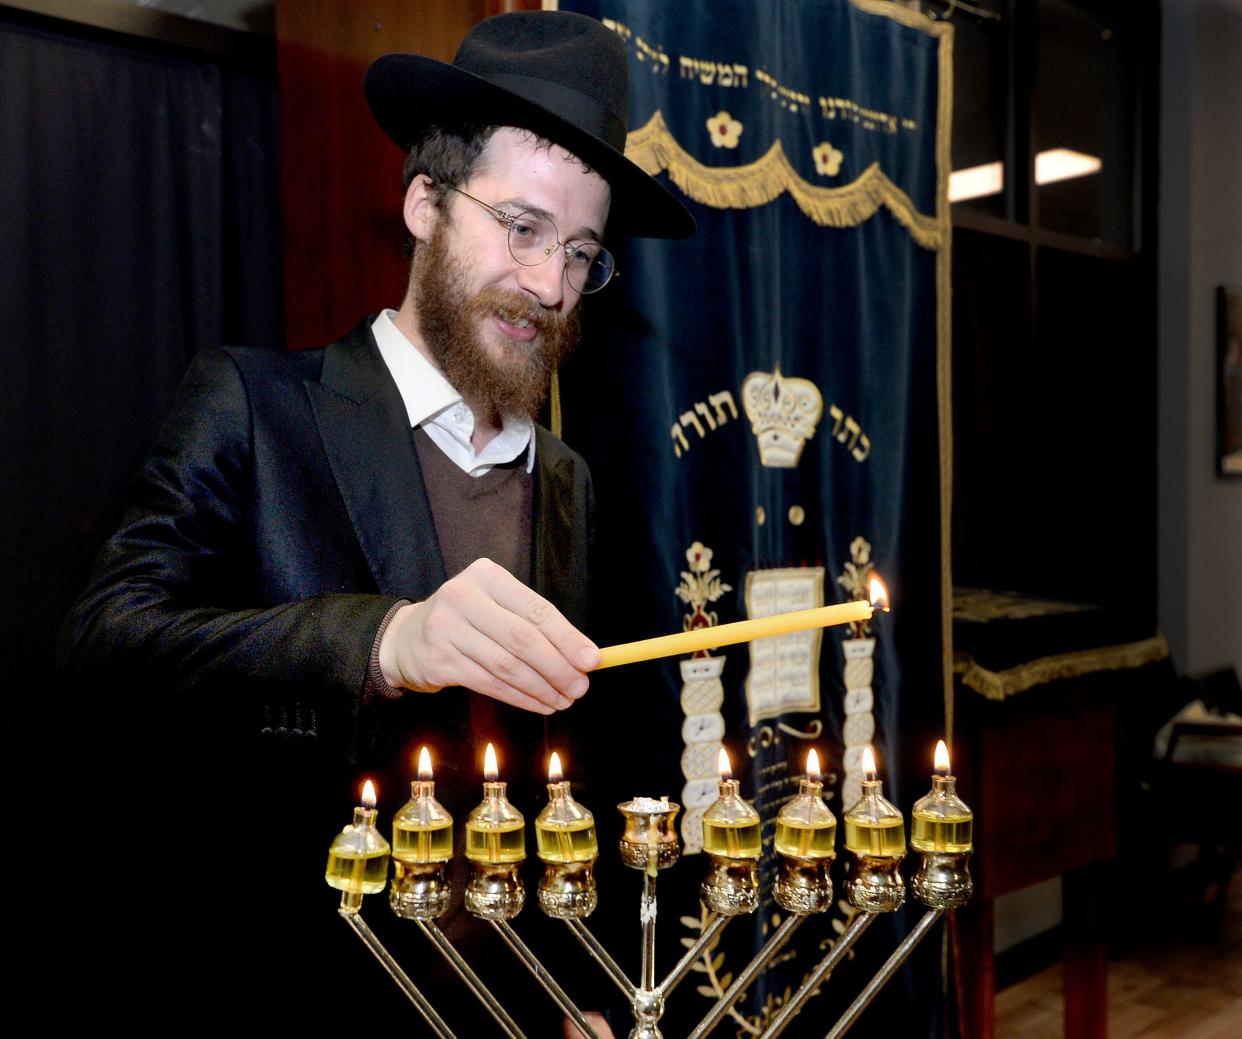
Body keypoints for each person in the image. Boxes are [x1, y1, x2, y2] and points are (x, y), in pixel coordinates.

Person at [57, 10, 691, 1031]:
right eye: (522, 228)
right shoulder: (255, 407)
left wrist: (584, 992)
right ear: (425, 204)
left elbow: (585, 777)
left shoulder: (571, 480)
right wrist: (386, 638)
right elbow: (103, 651)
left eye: (582, 251)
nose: (550, 287)